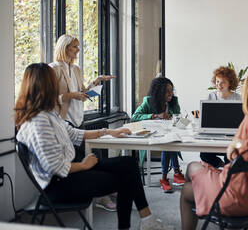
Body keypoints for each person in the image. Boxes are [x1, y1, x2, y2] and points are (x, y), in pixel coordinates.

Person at [15, 63, 174, 230]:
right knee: (126, 178)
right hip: (59, 185)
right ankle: (140, 224)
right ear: (46, 85)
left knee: (128, 164)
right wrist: (83, 165)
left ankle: (146, 221)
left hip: (69, 172)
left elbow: (74, 133)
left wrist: (110, 132)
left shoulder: (47, 114)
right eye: (54, 81)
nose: (57, 85)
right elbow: (53, 166)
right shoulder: (39, 121)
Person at [180, 70, 248, 230]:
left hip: (237, 197)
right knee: (191, 169)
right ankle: (202, 197)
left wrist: (237, 145)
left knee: (187, 188)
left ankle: (202, 200)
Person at [49, 34, 117, 211]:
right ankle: (97, 196)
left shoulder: (77, 69)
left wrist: (97, 82)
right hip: (64, 121)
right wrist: (72, 95)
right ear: (64, 48)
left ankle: (99, 193)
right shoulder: (53, 69)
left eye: (78, 47)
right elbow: (50, 98)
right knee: (77, 160)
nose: (78, 50)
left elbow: (83, 93)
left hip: (79, 119)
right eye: (74, 47)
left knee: (87, 157)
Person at [132, 77, 186, 193]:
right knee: (168, 143)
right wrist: (155, 116)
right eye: (167, 91)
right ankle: (175, 172)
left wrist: (175, 118)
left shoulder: (173, 102)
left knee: (169, 142)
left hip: (168, 134)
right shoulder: (148, 101)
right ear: (159, 92)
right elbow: (134, 117)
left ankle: (165, 178)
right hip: (151, 135)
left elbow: (178, 117)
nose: (171, 94)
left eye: (172, 90)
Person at [201, 66, 242, 168]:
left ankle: (226, 173)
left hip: (232, 136)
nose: (219, 85)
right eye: (217, 81)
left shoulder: (237, 98)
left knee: (231, 156)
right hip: (213, 134)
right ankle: (220, 165)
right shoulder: (211, 97)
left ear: (230, 83)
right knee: (204, 154)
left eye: (223, 82)